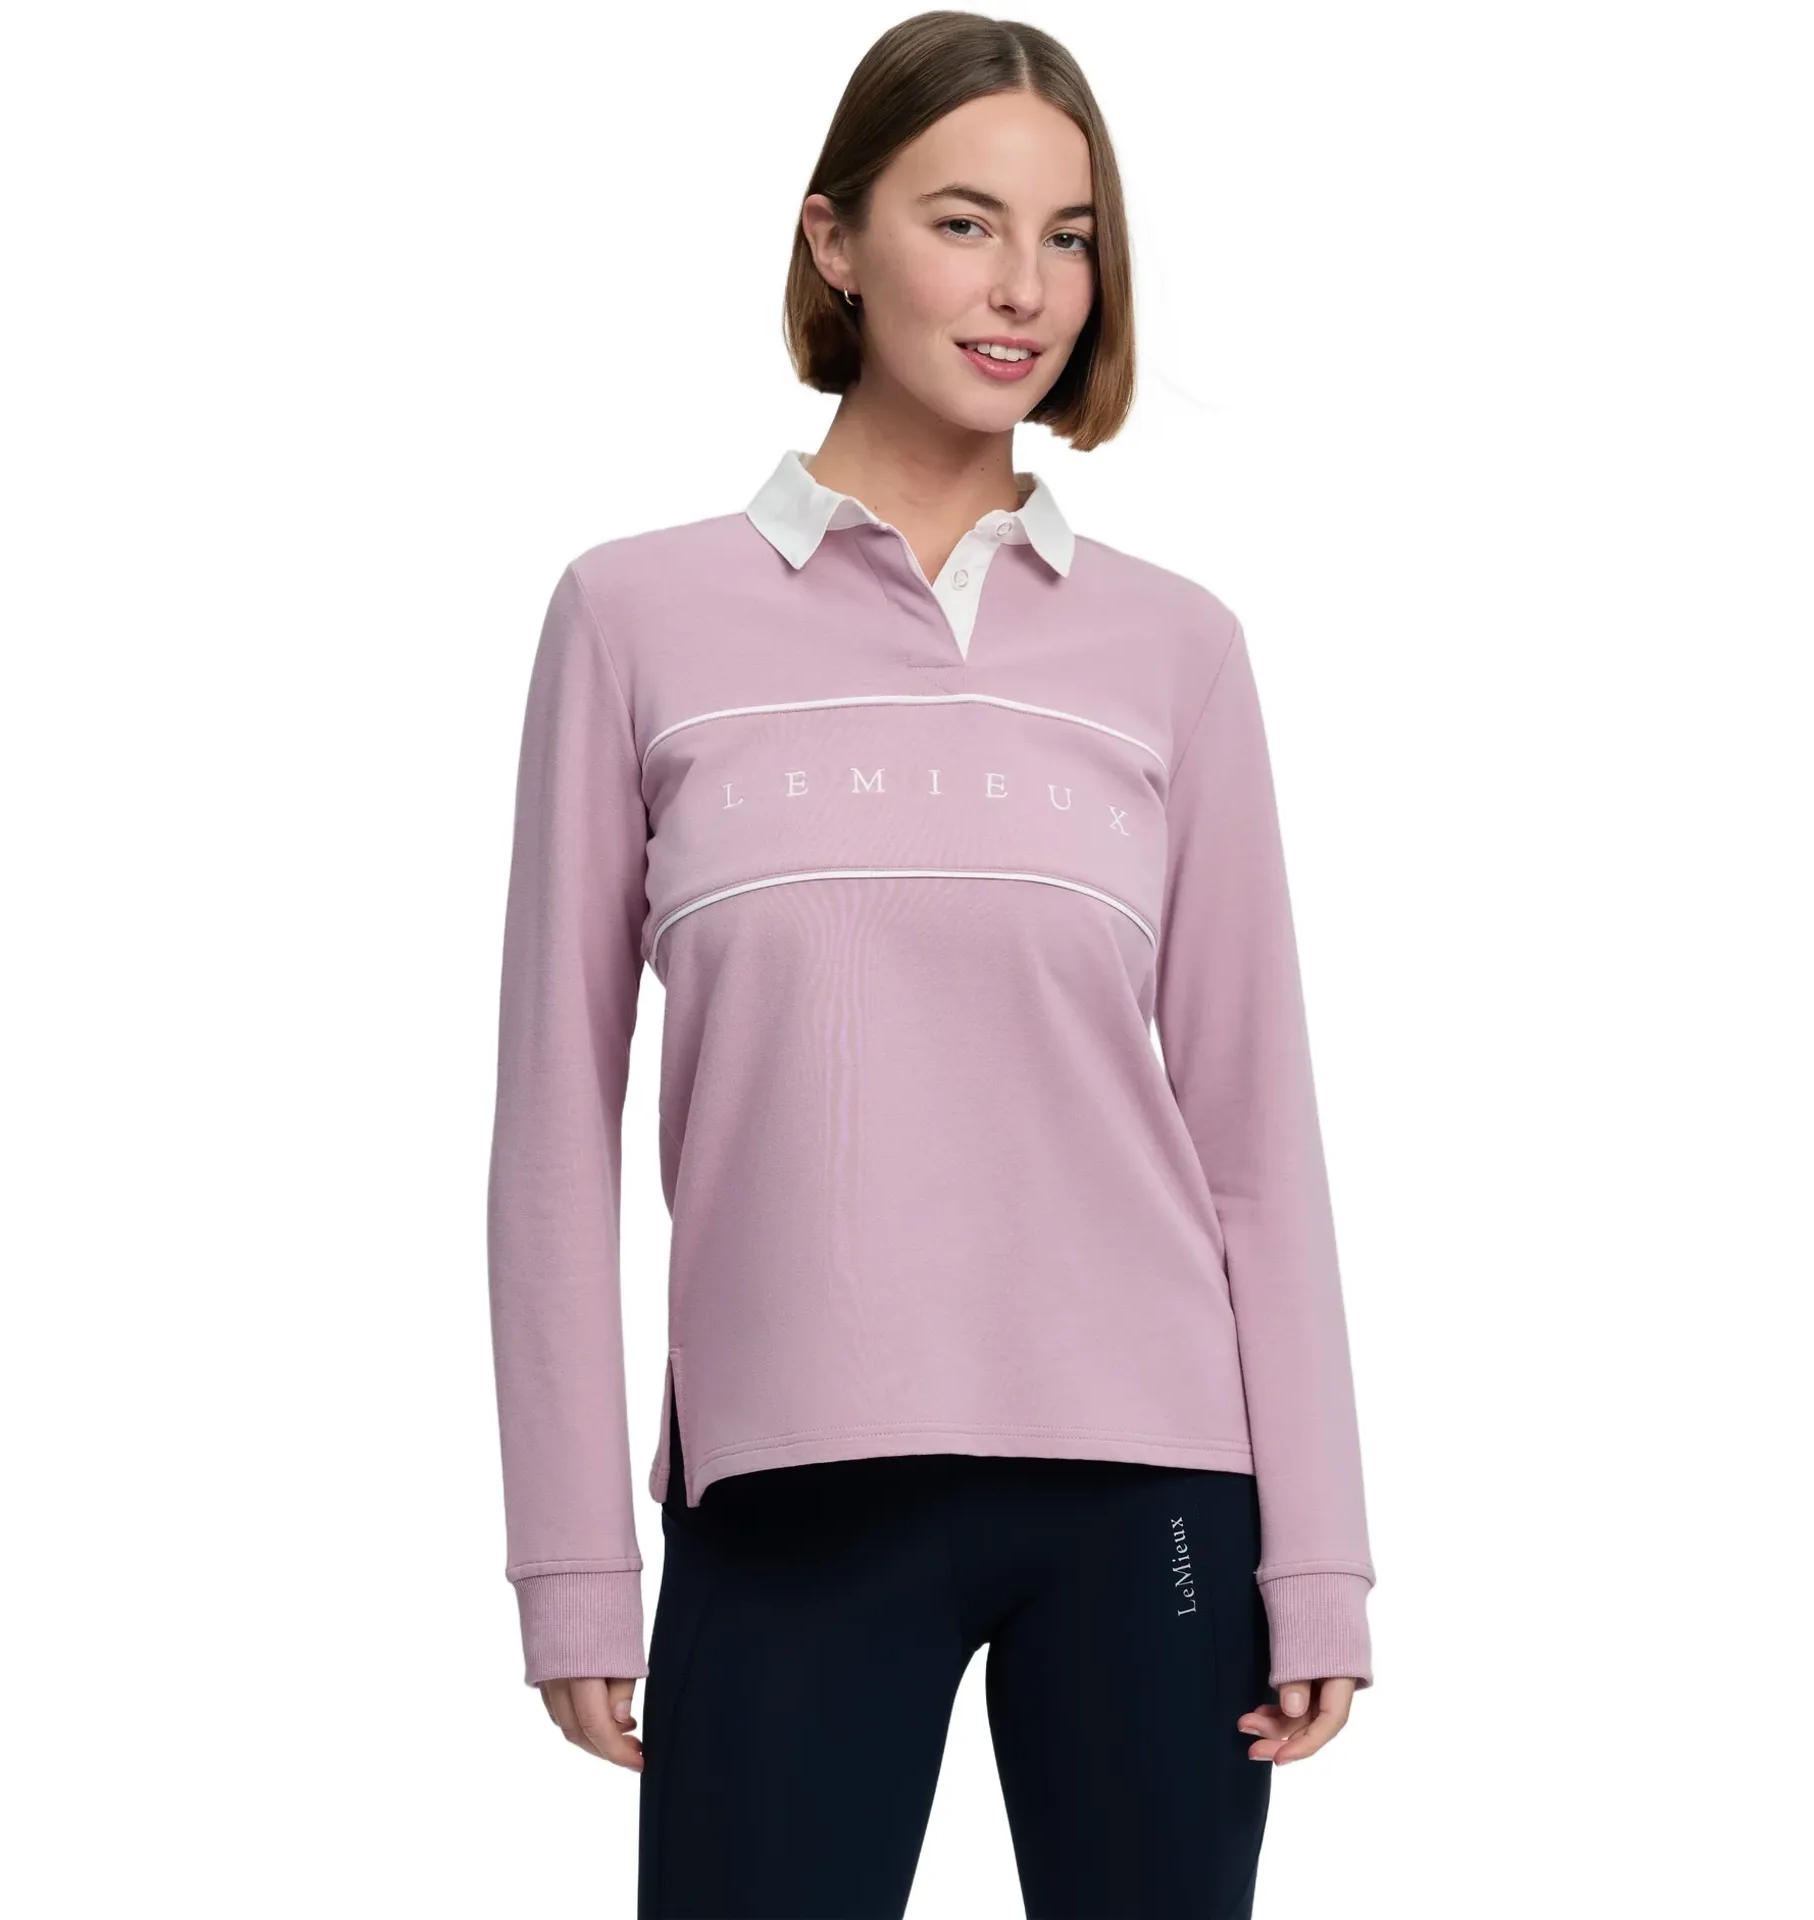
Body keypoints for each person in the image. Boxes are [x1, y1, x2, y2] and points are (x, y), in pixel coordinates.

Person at [485, 12, 1377, 1915]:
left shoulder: (1176, 652)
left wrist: (1322, 1557)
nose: (1023, 289)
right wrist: (572, 1562)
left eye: (1069, 238)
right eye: (965, 223)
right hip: (788, 1488)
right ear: (834, 240)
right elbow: (553, 1125)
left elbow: (1256, 1135)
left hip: (1154, 1495)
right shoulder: (633, 616)